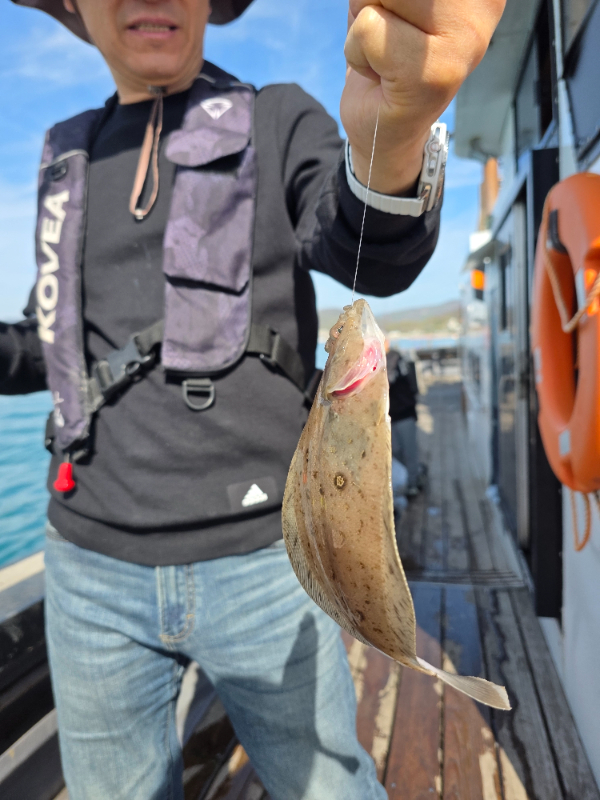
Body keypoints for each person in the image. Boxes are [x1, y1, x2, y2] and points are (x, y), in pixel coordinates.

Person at [1, 1, 504, 797]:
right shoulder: (68, 158)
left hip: (267, 561)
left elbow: (362, 245)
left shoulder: (277, 118)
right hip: (86, 567)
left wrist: (396, 136)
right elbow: (45, 344)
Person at [386, 342, 422, 496]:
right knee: (395, 450)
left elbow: (409, 389)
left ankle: (413, 483)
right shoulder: (380, 371)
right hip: (390, 418)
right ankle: (407, 479)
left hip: (405, 415)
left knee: (410, 451)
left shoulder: (401, 368)